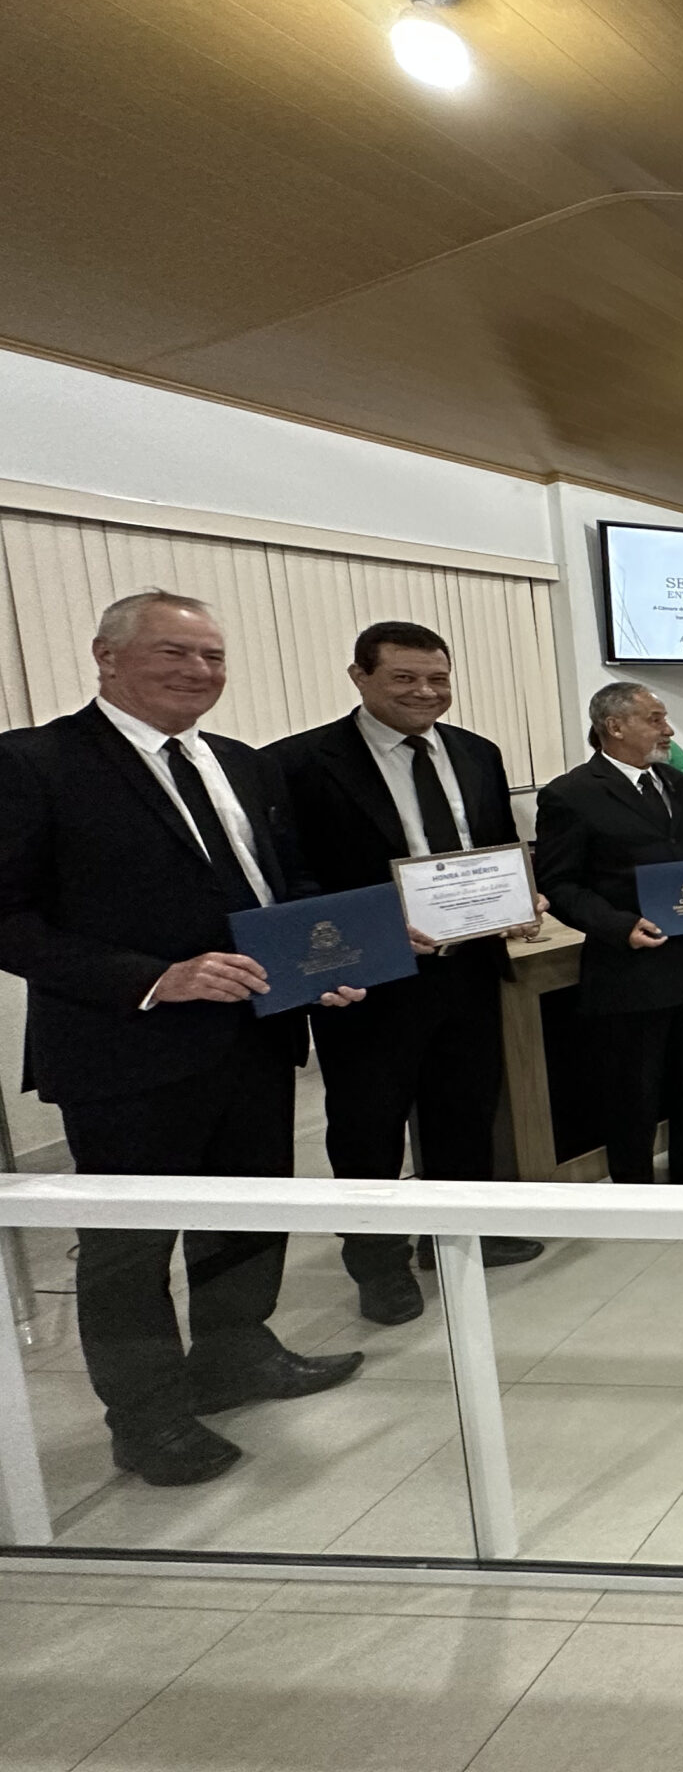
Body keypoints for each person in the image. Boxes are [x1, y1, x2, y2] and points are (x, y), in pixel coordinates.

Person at [0, 591, 366, 1486]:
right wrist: (155, 978)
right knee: (130, 1247)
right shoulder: (33, 762)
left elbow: (279, 884)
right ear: (107, 656)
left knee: (248, 1213)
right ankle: (147, 1416)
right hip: (125, 1051)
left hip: (254, 1038)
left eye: (213, 656)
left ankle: (236, 1353)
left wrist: (324, 959)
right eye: (174, 652)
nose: (199, 671)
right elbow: (10, 918)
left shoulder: (241, 764)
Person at [267, 620, 546, 1327]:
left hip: (469, 969)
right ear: (359, 677)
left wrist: (522, 897)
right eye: (404, 678)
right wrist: (372, 929)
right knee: (368, 1127)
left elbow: (494, 847)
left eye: (438, 679)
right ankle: (378, 1263)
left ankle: (459, 1236)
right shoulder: (298, 764)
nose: (425, 692)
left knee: (465, 1112)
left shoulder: (477, 753)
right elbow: (292, 881)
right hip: (370, 981)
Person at [535, 684, 683, 1193]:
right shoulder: (571, 794)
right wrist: (618, 926)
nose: (668, 730)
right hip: (631, 966)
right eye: (655, 719)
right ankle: (634, 1186)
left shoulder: (677, 783)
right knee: (634, 1087)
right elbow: (560, 884)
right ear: (614, 726)